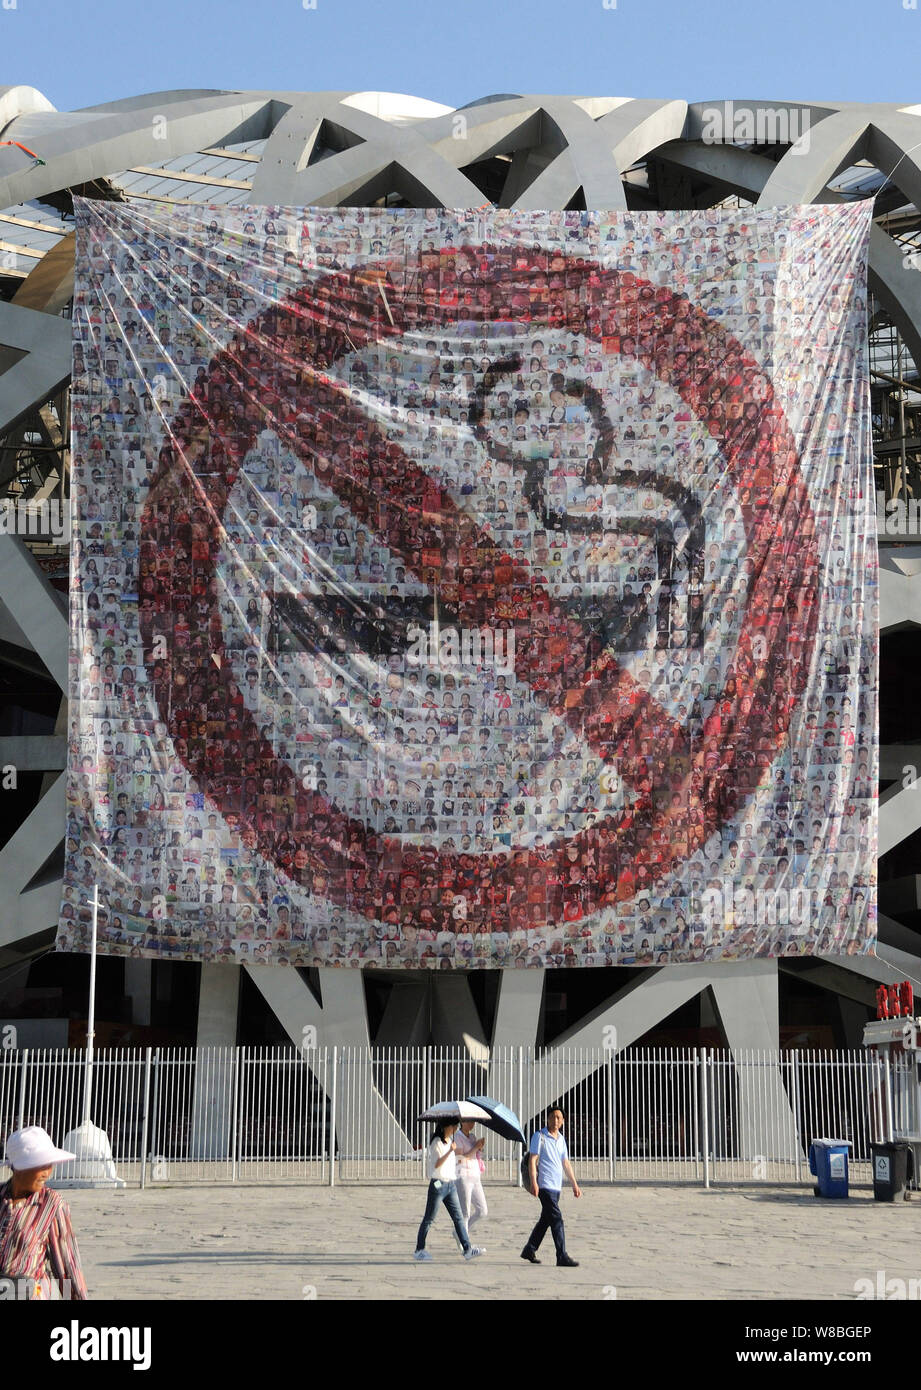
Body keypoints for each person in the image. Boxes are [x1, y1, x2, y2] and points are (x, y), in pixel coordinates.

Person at [0, 1126, 88, 1299]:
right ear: (17, 1167)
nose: (46, 1173)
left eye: (49, 1165)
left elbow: (67, 1266)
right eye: (39, 1165)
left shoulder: (52, 1205)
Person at [413, 1121, 485, 1262]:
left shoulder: (450, 1141)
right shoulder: (436, 1142)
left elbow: (455, 1161)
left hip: (450, 1184)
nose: (455, 1129)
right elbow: (437, 1163)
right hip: (438, 1183)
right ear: (446, 1126)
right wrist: (451, 1151)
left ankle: (467, 1249)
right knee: (429, 1218)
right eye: (453, 1126)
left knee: (458, 1217)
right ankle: (419, 1249)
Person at [521, 1106, 581, 1267]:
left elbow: (565, 1163)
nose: (555, 1121)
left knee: (545, 1220)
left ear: (563, 1121)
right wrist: (534, 1182)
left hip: (556, 1187)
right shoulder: (539, 1136)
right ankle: (561, 1255)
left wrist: (574, 1184)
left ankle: (529, 1249)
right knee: (557, 1219)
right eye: (553, 1117)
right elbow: (533, 1160)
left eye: (558, 1118)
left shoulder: (561, 1139)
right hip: (544, 1185)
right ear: (547, 1119)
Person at [454, 1120, 487, 1230]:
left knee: (482, 1210)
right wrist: (476, 1147)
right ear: (462, 1122)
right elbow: (460, 1159)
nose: (471, 1124)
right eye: (469, 1121)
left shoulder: (472, 1137)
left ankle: (460, 1232)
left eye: (473, 1121)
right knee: (465, 1213)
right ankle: (465, 1244)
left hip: (475, 1175)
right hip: (464, 1176)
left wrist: (480, 1148)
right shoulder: (457, 1137)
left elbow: (475, 1155)